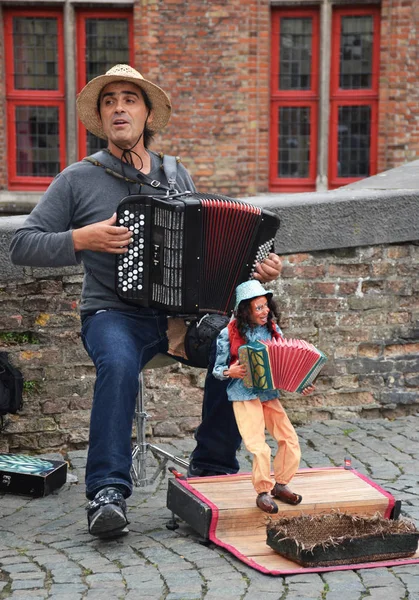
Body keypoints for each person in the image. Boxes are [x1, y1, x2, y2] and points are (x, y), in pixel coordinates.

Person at [9, 64, 281, 538]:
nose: (119, 107)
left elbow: (210, 253)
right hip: (113, 313)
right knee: (116, 363)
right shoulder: (78, 179)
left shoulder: (176, 175)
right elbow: (21, 244)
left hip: (180, 317)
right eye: (109, 100)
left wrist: (256, 266)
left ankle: (209, 472)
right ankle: (107, 494)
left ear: (146, 114)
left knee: (242, 347)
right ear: (100, 117)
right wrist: (81, 238)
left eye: (129, 99)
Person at [212, 280, 314, 514]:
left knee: (288, 438)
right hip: (243, 394)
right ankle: (263, 492)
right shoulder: (227, 333)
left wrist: (302, 384)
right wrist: (231, 371)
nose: (265, 311)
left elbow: (287, 363)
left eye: (266, 306)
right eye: (258, 308)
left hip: (268, 393)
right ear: (245, 310)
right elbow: (217, 371)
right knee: (258, 446)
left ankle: (281, 484)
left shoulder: (273, 330)